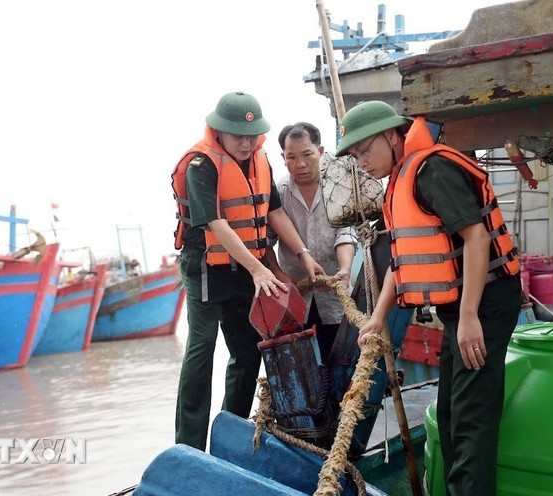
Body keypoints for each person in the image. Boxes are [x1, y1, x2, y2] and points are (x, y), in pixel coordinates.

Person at [335, 101, 522, 496]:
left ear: (391, 134)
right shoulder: (402, 176)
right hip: (460, 308)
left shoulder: (431, 169)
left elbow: (476, 236)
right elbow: (399, 261)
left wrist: (470, 316)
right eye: (355, 156)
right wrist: (378, 316)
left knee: (472, 423)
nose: (362, 162)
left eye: (364, 150)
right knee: (452, 417)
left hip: (485, 303)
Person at [170, 91, 325, 450]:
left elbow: (273, 212)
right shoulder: (200, 165)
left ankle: (230, 433)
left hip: (244, 266)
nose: (246, 141)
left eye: (251, 135)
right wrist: (259, 270)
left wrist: (302, 254)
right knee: (202, 347)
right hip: (207, 267)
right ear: (219, 131)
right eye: (237, 134)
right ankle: (188, 445)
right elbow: (215, 223)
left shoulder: (261, 161)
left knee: (247, 348)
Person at [265, 122, 357, 362]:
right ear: (282, 157)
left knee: (338, 362)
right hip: (295, 294)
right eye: (291, 157)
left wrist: (345, 269)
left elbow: (345, 233)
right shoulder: (279, 192)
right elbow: (265, 241)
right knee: (301, 365)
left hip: (334, 293)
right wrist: (277, 274)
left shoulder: (338, 186)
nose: (300, 164)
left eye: (307, 154)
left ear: (321, 151)